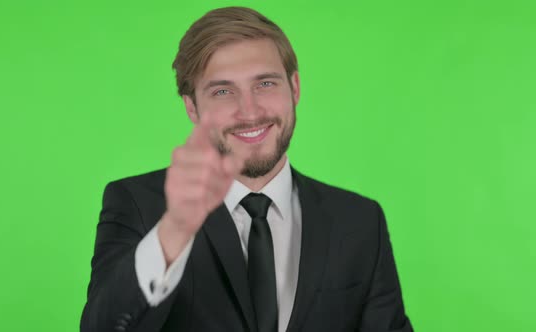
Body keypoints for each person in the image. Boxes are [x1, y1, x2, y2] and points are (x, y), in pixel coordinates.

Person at [81, 6, 413, 332]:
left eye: (265, 84)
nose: (250, 111)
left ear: (294, 87)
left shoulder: (360, 220)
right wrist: (175, 230)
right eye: (223, 91)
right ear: (192, 107)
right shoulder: (138, 204)